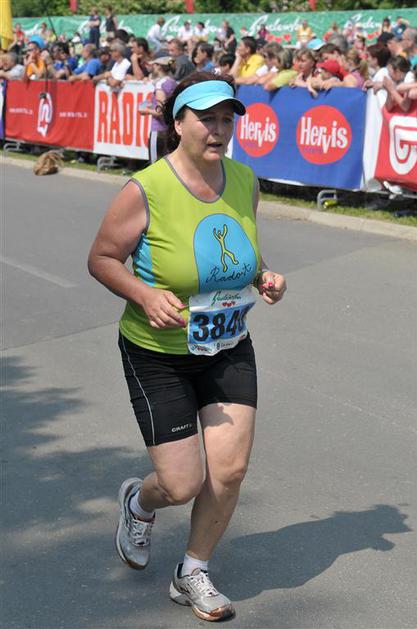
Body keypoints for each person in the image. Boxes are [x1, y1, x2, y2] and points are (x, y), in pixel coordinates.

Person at [87, 71, 286, 623]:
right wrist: (145, 294)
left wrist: (264, 276)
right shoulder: (145, 189)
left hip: (227, 344)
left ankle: (192, 570)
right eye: (207, 119)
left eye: (227, 119)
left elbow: (243, 250)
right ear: (178, 124)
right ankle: (139, 502)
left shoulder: (243, 179)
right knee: (181, 483)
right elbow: (101, 258)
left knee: (229, 470)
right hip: (157, 353)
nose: (219, 130)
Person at [138, 56, 177, 163]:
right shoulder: (172, 82)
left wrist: (146, 111)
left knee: (155, 163)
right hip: (169, 128)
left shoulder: (161, 84)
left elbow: (160, 111)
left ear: (159, 67)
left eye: (155, 65)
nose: (153, 67)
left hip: (159, 129)